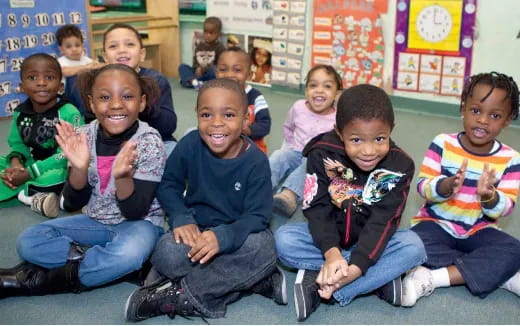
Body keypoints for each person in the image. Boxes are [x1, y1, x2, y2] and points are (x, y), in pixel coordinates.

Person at [124, 78, 285, 322]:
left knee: (264, 249)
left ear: (245, 120)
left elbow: (259, 216)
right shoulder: (190, 144)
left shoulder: (257, 161)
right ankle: (250, 281)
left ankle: (178, 294)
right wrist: (180, 217)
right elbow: (169, 185)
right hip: (196, 232)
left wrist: (225, 237)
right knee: (164, 252)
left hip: (239, 235)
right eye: (207, 114)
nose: (216, 123)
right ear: (197, 115)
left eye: (229, 115)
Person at [0, 64, 166, 298]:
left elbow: (135, 211)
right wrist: (79, 168)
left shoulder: (149, 142)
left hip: (141, 225)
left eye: (127, 96)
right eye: (105, 97)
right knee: (28, 241)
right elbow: (70, 203)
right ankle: (110, 267)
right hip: (96, 220)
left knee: (129, 253)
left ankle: (41, 281)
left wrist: (122, 177)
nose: (116, 104)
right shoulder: (85, 135)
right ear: (91, 103)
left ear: (141, 102)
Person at [274, 84, 426, 321]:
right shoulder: (321, 152)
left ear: (391, 130)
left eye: (379, 139)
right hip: (327, 242)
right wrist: (332, 253)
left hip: (370, 242)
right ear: (339, 131)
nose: (368, 150)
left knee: (414, 247)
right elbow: (317, 209)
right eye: (356, 139)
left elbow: (384, 222)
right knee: (283, 240)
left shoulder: (400, 165)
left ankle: (329, 287)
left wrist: (355, 267)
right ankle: (377, 281)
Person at [401, 72, 520, 306]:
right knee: (407, 243)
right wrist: (446, 185)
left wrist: (489, 197)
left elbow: (505, 208)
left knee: (514, 249)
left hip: (478, 231)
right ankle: (495, 274)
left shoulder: (511, 159)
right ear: (463, 108)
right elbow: (423, 186)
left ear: (508, 120)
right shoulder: (443, 143)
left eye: (495, 115)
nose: (483, 120)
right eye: (476, 111)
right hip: (435, 225)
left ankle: (435, 277)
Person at [64, 23, 177, 155]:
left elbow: (168, 126)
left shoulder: (156, 80)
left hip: (152, 142)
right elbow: (88, 119)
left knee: (173, 150)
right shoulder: (97, 82)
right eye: (113, 46)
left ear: (142, 54)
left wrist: (140, 102)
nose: (122, 50)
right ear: (105, 57)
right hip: (109, 144)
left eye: (129, 44)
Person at [0, 53, 83, 218]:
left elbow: (68, 154)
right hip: (31, 164)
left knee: (51, 180)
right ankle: (29, 192)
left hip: (59, 168)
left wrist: (30, 172)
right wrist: (16, 165)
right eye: (32, 77)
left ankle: (26, 192)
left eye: (49, 77)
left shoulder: (69, 113)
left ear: (60, 87)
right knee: (5, 168)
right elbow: (18, 145)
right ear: (22, 87)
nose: (41, 83)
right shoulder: (20, 113)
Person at [271, 64, 342, 217]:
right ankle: (260, 187)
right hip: (296, 152)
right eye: (313, 85)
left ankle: (289, 195)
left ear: (337, 94)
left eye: (327, 86)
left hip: (316, 163)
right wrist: (289, 146)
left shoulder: (337, 120)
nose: (319, 90)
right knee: (279, 155)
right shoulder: (298, 107)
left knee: (308, 162)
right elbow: (288, 127)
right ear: (306, 90)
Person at [216, 47, 271, 153]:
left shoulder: (256, 98)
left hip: (251, 152)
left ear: (249, 75)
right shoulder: (214, 97)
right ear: (216, 73)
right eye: (223, 69)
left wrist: (249, 130)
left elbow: (265, 125)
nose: (229, 75)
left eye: (237, 70)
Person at [178, 16, 225, 89]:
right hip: (197, 73)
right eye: (206, 32)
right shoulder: (199, 46)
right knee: (182, 67)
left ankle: (191, 82)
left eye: (211, 33)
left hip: (208, 73)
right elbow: (195, 61)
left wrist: (203, 69)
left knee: (215, 70)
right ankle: (197, 83)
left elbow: (220, 65)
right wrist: (197, 68)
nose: (208, 35)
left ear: (218, 34)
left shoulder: (220, 47)